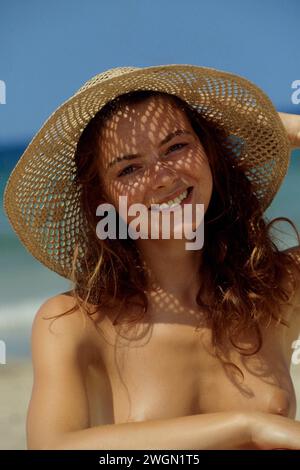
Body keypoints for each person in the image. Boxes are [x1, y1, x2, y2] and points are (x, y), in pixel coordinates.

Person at [3, 64, 300, 450]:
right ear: (102, 199)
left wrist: (282, 127)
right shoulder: (75, 324)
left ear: (209, 153)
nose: (161, 177)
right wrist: (248, 427)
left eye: (177, 146)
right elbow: (53, 446)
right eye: (129, 168)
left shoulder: (277, 289)